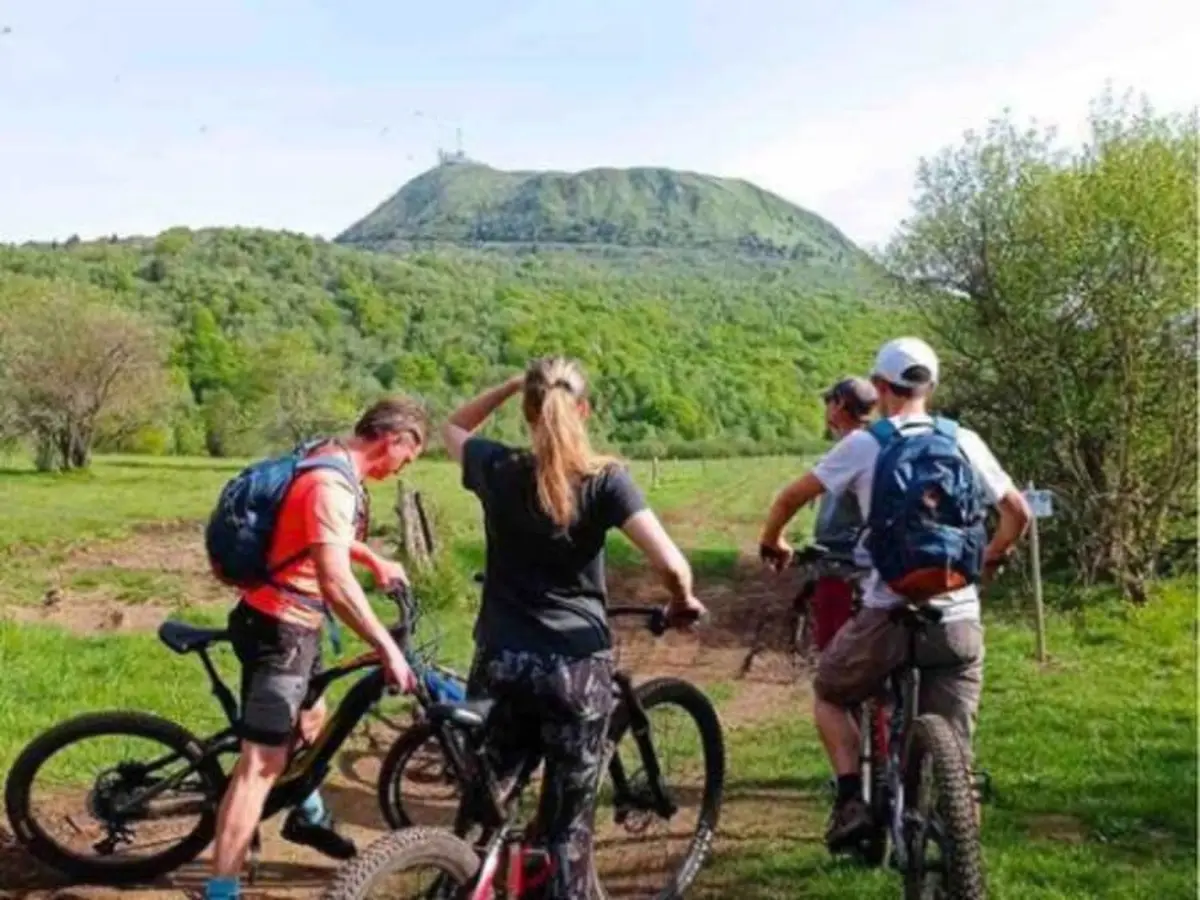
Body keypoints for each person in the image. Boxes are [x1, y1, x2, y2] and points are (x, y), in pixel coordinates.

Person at [440, 356, 707, 900]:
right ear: (583, 410)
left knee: (485, 808)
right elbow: (673, 565)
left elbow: (453, 428)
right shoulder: (606, 480)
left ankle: (458, 877)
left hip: (500, 660)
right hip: (574, 669)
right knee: (565, 833)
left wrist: (513, 384)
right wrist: (682, 601)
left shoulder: (497, 467)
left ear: (528, 412)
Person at [757, 337, 1030, 851]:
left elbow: (792, 496)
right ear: (931, 386)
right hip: (956, 620)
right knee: (956, 751)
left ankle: (849, 801)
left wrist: (774, 541)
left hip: (888, 611)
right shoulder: (965, 441)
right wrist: (990, 556)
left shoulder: (866, 444)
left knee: (830, 692)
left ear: (881, 387)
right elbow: (1018, 512)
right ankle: (960, 850)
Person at [205, 397, 428, 900]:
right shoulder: (332, 484)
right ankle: (221, 890)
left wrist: (371, 558)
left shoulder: (329, 458)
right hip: (279, 629)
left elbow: (311, 531)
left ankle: (306, 816)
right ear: (392, 440)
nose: (401, 470)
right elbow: (335, 582)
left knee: (311, 720)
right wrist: (385, 647)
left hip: (296, 625)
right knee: (260, 766)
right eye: (406, 459)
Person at [807, 377, 878, 653]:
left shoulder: (852, 446)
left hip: (842, 557)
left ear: (839, 406)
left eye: (829, 402)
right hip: (872, 558)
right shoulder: (876, 442)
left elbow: (791, 497)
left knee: (832, 651)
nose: (826, 409)